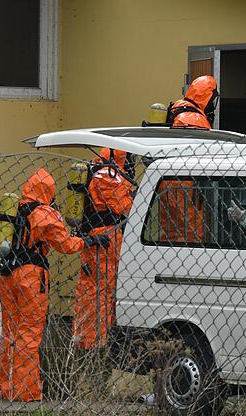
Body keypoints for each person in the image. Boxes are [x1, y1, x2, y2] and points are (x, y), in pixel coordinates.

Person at [0, 168, 109, 402]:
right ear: (47, 191)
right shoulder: (43, 214)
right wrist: (88, 241)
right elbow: (65, 245)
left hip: (7, 274)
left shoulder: (13, 210)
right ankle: (26, 392)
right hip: (31, 276)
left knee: (10, 332)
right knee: (29, 333)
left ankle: (8, 388)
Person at [72, 148, 134, 351]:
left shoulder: (104, 172)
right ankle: (93, 341)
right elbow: (123, 207)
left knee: (101, 288)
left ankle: (96, 337)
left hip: (104, 236)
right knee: (100, 289)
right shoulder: (108, 175)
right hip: (105, 237)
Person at [157, 76, 221, 243]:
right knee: (192, 234)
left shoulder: (177, 109)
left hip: (168, 180)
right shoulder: (195, 119)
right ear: (207, 97)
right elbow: (203, 155)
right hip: (186, 184)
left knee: (171, 231)